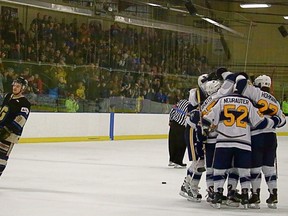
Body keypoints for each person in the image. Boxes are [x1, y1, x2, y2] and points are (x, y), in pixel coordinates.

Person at [202, 80, 280, 209]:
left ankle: (217, 194)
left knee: (219, 169)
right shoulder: (249, 102)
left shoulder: (222, 100)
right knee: (244, 170)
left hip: (223, 141)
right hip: (244, 142)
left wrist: (206, 130)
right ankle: (245, 195)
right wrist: (274, 121)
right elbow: (259, 123)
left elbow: (206, 119)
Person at [235, 74, 286, 209]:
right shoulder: (274, 100)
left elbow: (240, 85)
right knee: (269, 167)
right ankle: (273, 195)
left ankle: (255, 195)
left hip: (256, 135)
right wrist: (272, 122)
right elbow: (282, 120)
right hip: (271, 137)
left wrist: (240, 77)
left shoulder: (255, 93)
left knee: (255, 167)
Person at [0, 77, 31, 177]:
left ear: (23, 88)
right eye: (14, 85)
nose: (15, 87)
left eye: (18, 86)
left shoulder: (25, 103)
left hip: (9, 134)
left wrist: (7, 129)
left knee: (1, 158)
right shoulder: (8, 96)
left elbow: (21, 119)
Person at [168, 98, 190, 168]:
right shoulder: (192, 105)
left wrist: (171, 120)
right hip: (182, 126)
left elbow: (173, 110)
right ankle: (178, 161)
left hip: (174, 123)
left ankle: (171, 160)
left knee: (172, 143)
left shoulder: (181, 101)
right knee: (182, 144)